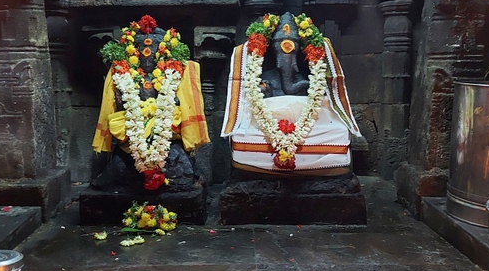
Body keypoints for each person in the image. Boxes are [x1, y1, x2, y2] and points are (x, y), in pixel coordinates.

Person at [221, 12, 360, 175]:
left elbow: (316, 100)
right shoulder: (268, 76)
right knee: (243, 135)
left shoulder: (305, 78)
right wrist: (263, 89)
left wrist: (308, 85)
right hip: (270, 125)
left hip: (304, 125)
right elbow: (260, 96)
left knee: (338, 132)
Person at [92, 15, 209, 191]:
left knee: (180, 167)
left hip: (165, 134)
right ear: (134, 52)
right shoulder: (124, 75)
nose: (148, 55)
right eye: (142, 49)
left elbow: (178, 103)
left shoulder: (172, 74)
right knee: (119, 166)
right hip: (133, 136)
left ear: (162, 52)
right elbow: (121, 106)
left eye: (153, 50)